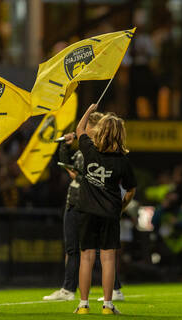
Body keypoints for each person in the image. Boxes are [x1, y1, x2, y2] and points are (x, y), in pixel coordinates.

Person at [43, 112, 124, 301]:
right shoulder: (82, 151)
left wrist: (79, 175)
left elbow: (93, 177)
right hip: (74, 201)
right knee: (73, 248)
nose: (82, 131)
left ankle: (115, 289)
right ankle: (68, 289)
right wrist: (65, 145)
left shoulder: (98, 152)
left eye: (86, 127)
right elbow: (68, 166)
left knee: (97, 250)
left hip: (89, 205)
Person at [73, 105, 137, 315]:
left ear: (100, 131)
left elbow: (79, 129)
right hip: (110, 212)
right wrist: (121, 206)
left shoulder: (89, 150)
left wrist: (89, 109)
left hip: (86, 211)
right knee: (108, 259)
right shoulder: (123, 161)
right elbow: (130, 190)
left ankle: (83, 305)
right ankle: (108, 306)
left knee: (86, 258)